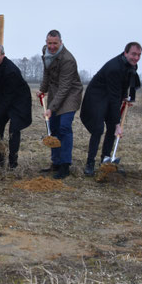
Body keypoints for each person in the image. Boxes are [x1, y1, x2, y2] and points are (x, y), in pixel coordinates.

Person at [80, 42, 142, 176]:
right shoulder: (114, 67)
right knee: (98, 129)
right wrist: (118, 123)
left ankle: (105, 160)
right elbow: (114, 98)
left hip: (110, 95)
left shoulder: (130, 65)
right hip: (97, 97)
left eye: (138, 55)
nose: (136, 58)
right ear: (125, 53)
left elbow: (124, 84)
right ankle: (90, 163)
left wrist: (126, 97)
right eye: (133, 54)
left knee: (111, 129)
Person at [35, 30, 83, 179]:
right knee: (53, 127)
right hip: (56, 93)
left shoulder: (68, 60)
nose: (52, 46)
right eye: (49, 43)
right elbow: (47, 73)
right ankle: (55, 162)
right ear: (46, 42)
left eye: (55, 43)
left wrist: (51, 108)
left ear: (61, 42)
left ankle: (65, 166)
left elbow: (65, 88)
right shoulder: (46, 52)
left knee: (64, 127)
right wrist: (43, 90)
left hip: (70, 94)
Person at [0, 44, 32, 169]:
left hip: (19, 101)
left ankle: (13, 163)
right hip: (4, 97)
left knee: (13, 131)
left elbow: (8, 98)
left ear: (3, 55)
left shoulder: (11, 71)